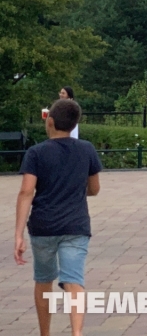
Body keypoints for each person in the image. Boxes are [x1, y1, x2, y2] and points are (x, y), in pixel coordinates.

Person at [15, 99, 102, 336]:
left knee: (44, 279)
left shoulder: (36, 153)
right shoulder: (87, 149)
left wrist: (18, 234)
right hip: (76, 225)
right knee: (74, 280)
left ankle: (46, 333)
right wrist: (73, 188)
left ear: (50, 122)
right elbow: (94, 188)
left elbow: (26, 191)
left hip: (43, 227)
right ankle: (76, 332)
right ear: (74, 124)